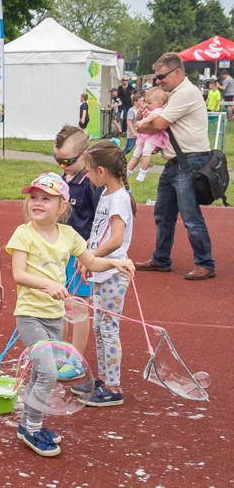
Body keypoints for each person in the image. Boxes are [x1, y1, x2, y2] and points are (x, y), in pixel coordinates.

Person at [7, 171, 134, 457]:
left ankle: (29, 424)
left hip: (54, 316)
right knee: (49, 373)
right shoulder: (23, 233)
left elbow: (92, 262)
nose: (37, 203)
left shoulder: (68, 235)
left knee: (42, 372)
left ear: (62, 206)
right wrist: (48, 284)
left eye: (46, 199)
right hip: (30, 315)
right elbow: (18, 274)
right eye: (33, 197)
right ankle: (33, 429)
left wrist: (118, 263)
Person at [134, 53, 216, 281]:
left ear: (177, 72)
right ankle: (161, 259)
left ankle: (205, 263)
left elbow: (159, 124)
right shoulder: (175, 94)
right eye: (157, 77)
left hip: (188, 162)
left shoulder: (185, 93)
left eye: (161, 76)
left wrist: (140, 127)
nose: (158, 81)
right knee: (163, 214)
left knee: (190, 216)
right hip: (176, 163)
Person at [76, 141, 136, 407]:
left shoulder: (119, 198)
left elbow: (116, 240)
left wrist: (91, 258)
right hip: (102, 270)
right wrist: (87, 258)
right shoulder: (107, 194)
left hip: (113, 272)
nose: (87, 175)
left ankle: (113, 387)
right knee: (99, 327)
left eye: (88, 170)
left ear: (101, 171)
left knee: (108, 328)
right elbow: (99, 231)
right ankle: (103, 378)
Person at [52, 127, 101, 382]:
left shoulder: (90, 184)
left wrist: (89, 251)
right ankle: (59, 354)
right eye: (57, 159)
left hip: (79, 255)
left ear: (84, 155)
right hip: (58, 253)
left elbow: (100, 222)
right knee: (58, 305)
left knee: (77, 307)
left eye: (68, 161)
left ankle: (75, 360)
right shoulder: (62, 180)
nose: (63, 164)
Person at [126, 87, 170, 182]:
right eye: (145, 102)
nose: (146, 105)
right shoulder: (148, 109)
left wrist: (142, 122)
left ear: (159, 104)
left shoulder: (158, 111)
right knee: (136, 153)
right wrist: (140, 111)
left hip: (153, 137)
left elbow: (152, 118)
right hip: (144, 136)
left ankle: (143, 171)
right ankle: (127, 171)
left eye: (149, 103)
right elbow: (138, 117)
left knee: (146, 151)